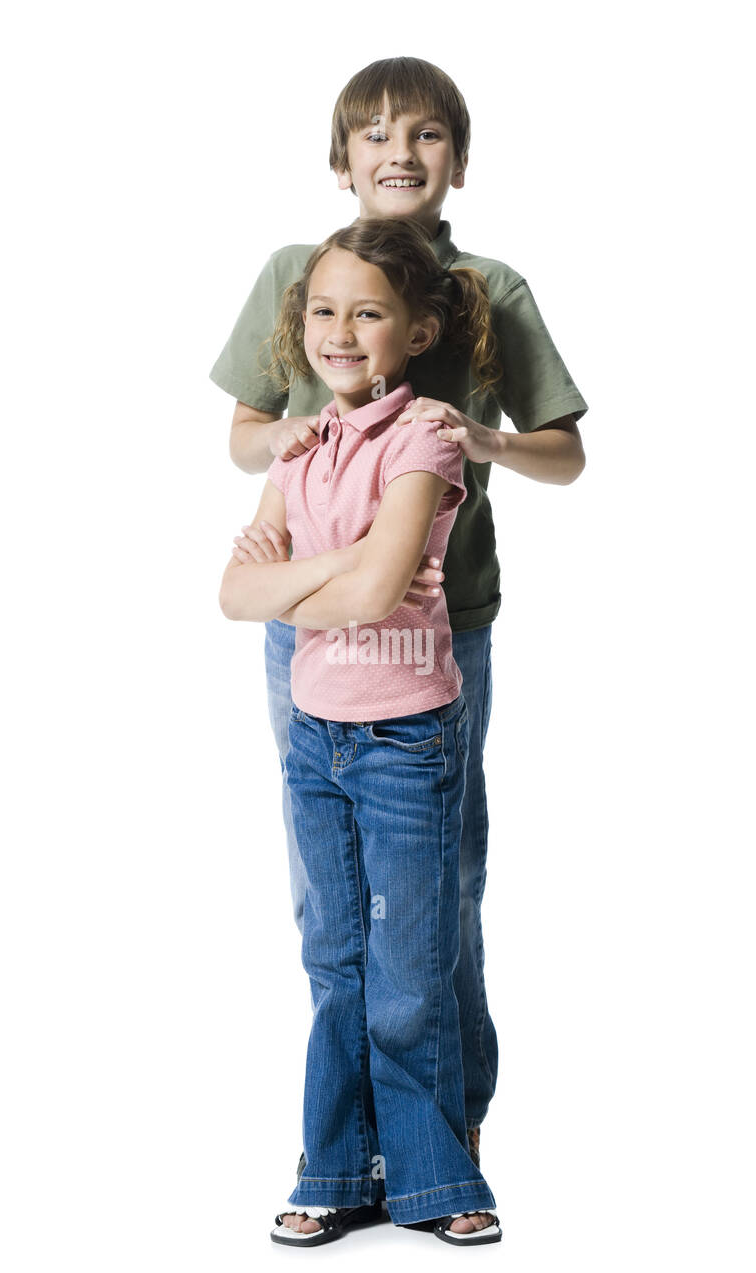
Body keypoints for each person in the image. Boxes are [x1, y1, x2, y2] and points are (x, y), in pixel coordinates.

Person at [209, 55, 588, 1213]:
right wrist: (311, 563)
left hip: (439, 630)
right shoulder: (298, 273)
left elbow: (563, 451)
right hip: (308, 632)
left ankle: (441, 1136)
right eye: (370, 132)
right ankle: (355, 1153)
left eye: (423, 134)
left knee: (435, 890)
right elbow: (247, 439)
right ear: (340, 158)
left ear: (454, 160)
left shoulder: (489, 288)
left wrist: (484, 445)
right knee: (334, 902)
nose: (396, 152)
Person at [218, 217, 504, 1244]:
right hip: (315, 735)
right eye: (325, 311)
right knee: (333, 956)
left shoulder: (425, 432)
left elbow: (383, 584)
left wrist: (312, 579)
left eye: (368, 313)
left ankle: (435, 1178)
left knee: (409, 962)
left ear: (417, 330)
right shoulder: (300, 445)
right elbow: (232, 592)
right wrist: (336, 577)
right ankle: (336, 1167)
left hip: (404, 739)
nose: (341, 330)